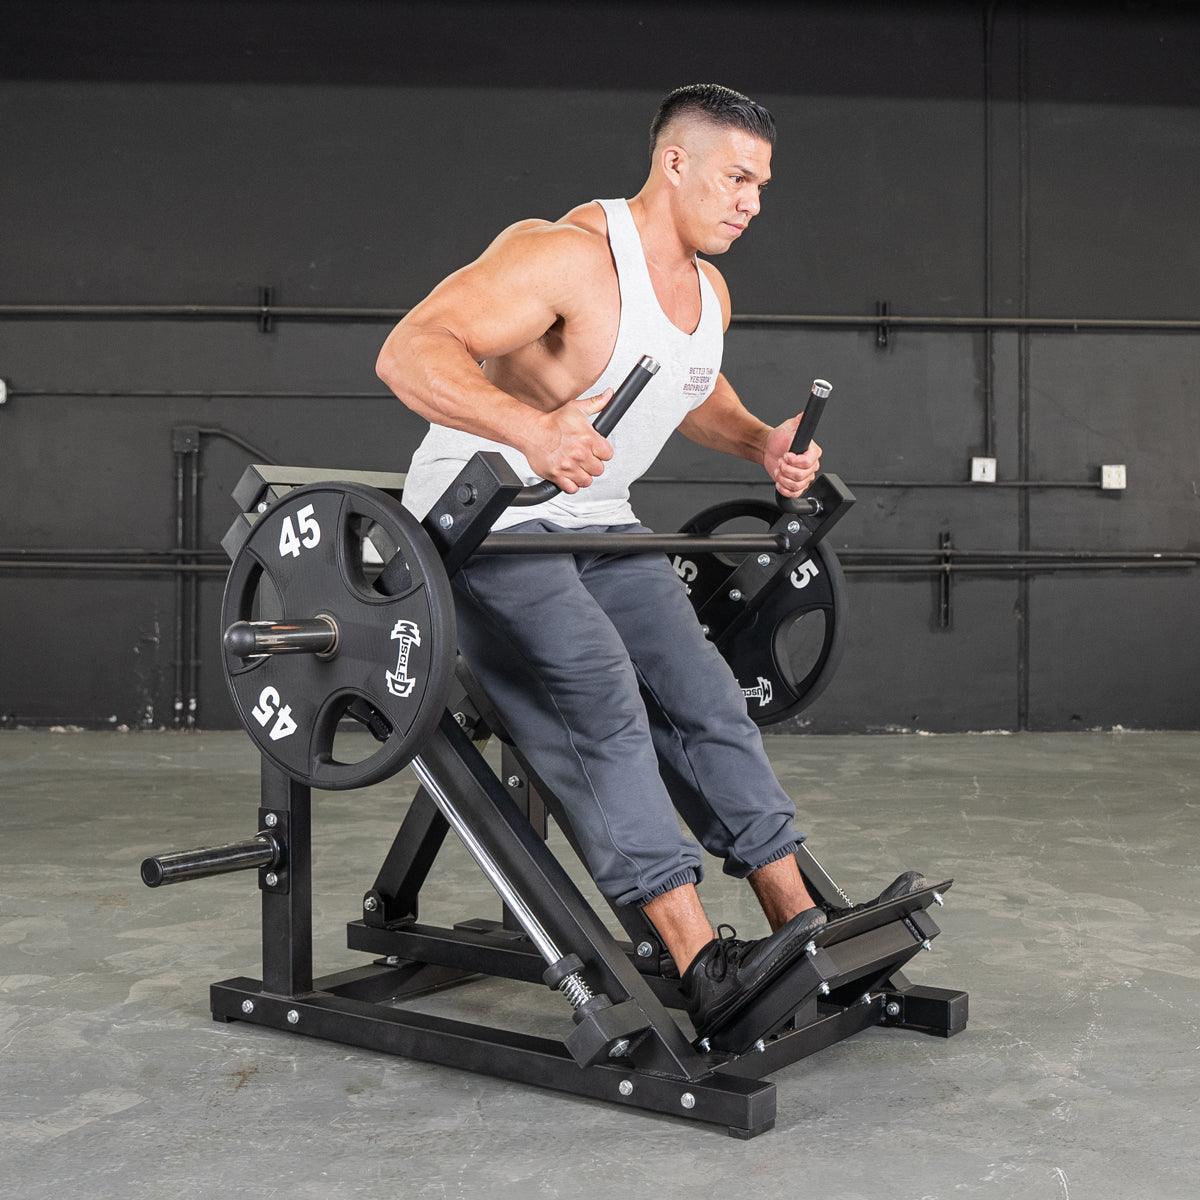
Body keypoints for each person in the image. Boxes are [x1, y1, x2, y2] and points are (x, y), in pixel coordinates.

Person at [377, 83, 922, 1038]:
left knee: (704, 693)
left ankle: (803, 926)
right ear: (675, 162)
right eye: (737, 178)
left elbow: (691, 389)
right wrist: (531, 429)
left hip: (600, 522)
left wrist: (759, 440)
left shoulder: (708, 291)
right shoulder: (567, 255)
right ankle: (701, 962)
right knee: (599, 691)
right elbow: (410, 351)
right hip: (490, 521)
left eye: (762, 185)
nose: (752, 202)